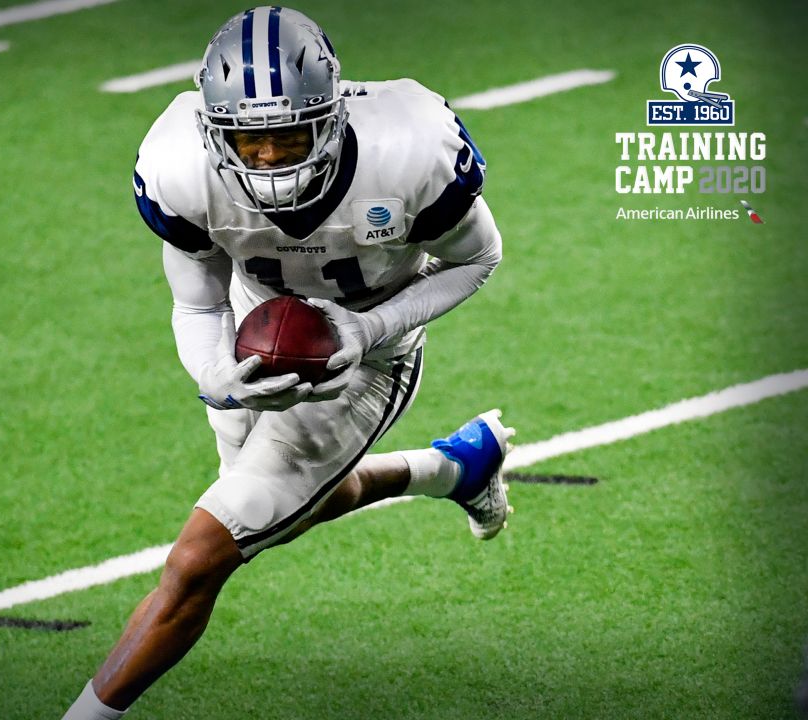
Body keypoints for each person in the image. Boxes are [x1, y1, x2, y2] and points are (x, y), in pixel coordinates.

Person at [63, 7, 514, 718]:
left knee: (200, 556)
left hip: (369, 355)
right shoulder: (179, 164)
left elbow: (479, 258)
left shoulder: (411, 147)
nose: (268, 160)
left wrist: (368, 331)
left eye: (286, 136)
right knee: (273, 511)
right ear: (214, 133)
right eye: (248, 140)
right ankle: (455, 468)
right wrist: (213, 377)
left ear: (331, 118)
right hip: (256, 332)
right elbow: (195, 304)